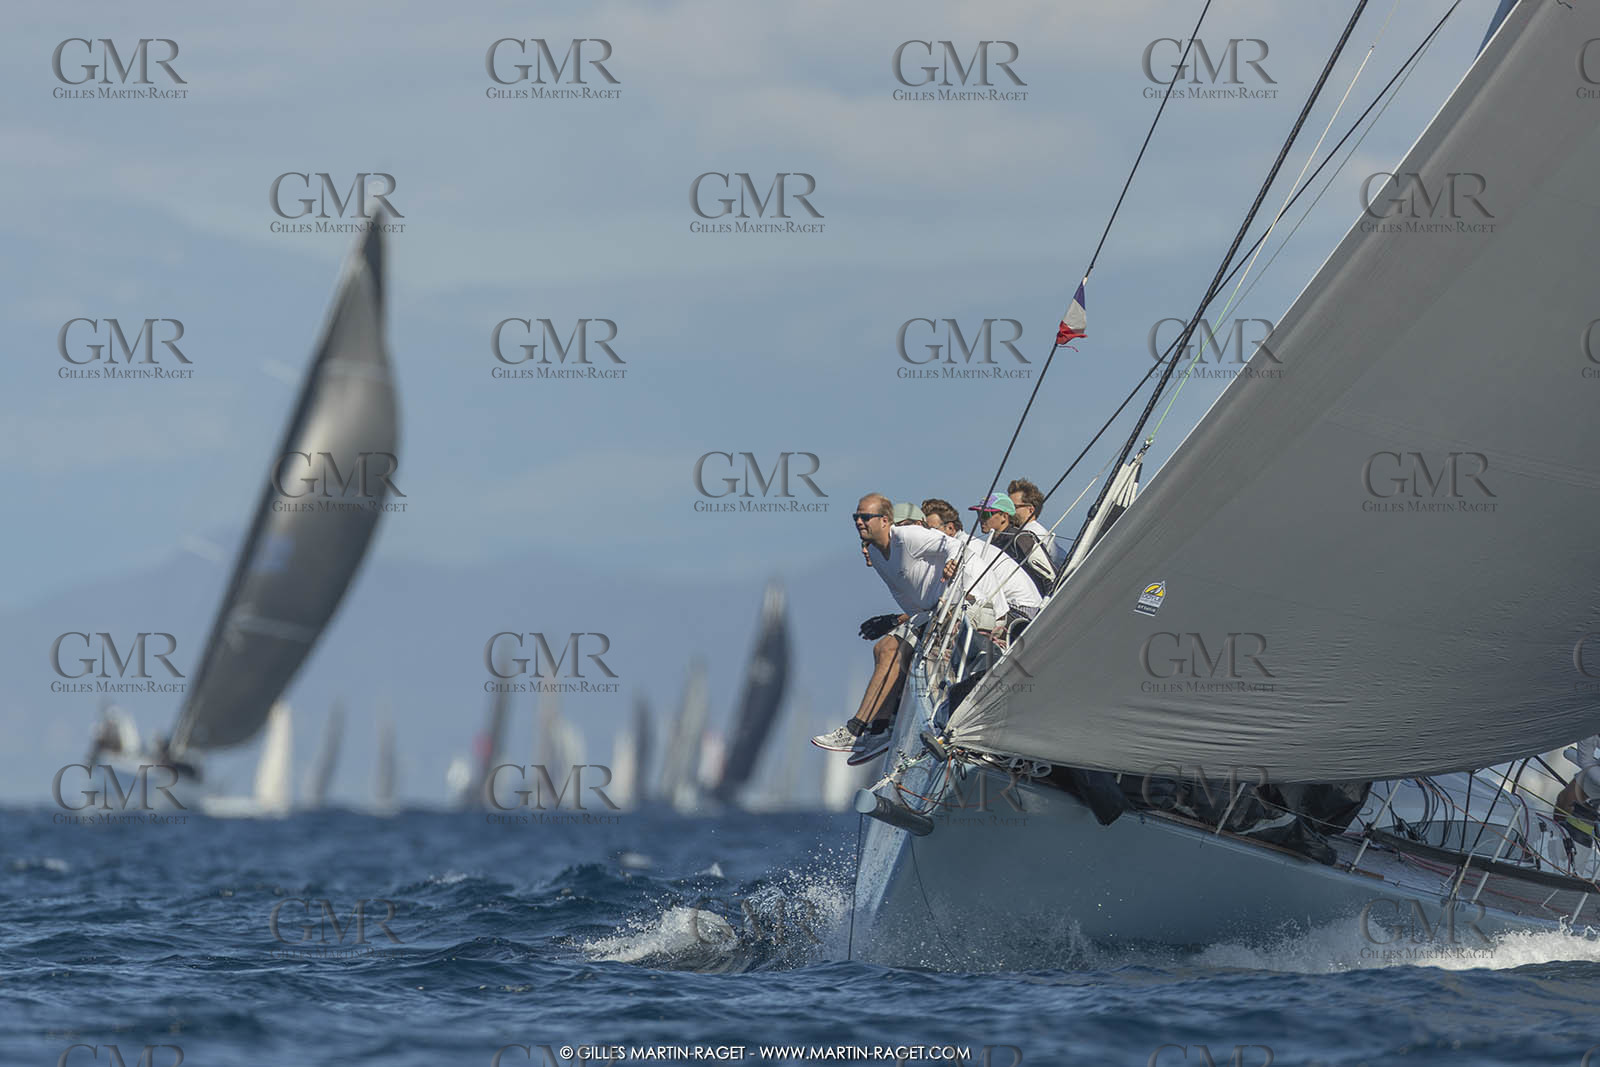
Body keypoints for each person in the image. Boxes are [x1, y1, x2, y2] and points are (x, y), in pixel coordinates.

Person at [813, 493, 957, 765]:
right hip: (929, 615)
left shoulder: (911, 542)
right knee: (885, 647)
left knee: (891, 649)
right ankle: (878, 729)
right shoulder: (883, 555)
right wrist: (896, 619)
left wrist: (896, 619)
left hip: (954, 612)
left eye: (865, 517)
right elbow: (919, 600)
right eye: (856, 518)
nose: (859, 523)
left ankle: (863, 728)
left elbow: (943, 576)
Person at [971, 492, 1056, 596]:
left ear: (1004, 516)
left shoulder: (1021, 538)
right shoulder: (992, 545)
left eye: (985, 514)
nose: (981, 519)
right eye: (978, 514)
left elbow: (1049, 575)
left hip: (1034, 603)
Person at [1007, 477, 1070, 572]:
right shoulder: (1027, 533)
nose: (1007, 511)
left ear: (1030, 510)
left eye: (1013, 507)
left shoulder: (1030, 534)